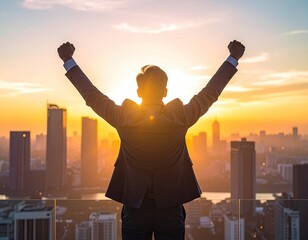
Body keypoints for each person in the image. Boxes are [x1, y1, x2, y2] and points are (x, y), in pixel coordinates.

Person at [57, 40, 245, 240]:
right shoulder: (180, 117)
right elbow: (210, 94)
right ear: (165, 92)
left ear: (139, 93)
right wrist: (233, 58)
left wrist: (69, 60)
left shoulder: (124, 118)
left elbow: (92, 96)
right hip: (170, 208)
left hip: (135, 207)